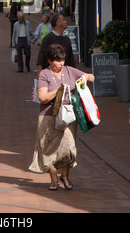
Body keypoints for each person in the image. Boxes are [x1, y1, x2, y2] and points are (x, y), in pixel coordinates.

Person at [29, 43, 95, 191]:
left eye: (62, 60)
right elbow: (42, 97)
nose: (61, 64)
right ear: (50, 60)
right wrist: (59, 90)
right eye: (57, 61)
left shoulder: (69, 70)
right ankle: (53, 179)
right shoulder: (44, 75)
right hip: (48, 116)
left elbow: (92, 76)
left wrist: (85, 78)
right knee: (47, 148)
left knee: (68, 148)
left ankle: (65, 176)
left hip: (68, 116)